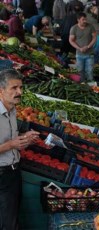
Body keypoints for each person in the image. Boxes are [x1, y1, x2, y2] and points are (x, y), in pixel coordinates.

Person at [0, 69, 40, 230]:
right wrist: (12, 145)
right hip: (1, 176)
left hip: (13, 172)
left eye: (21, 88)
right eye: (14, 88)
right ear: (1, 90)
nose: (19, 92)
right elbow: (10, 144)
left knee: (12, 219)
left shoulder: (12, 110)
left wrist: (25, 138)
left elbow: (12, 139)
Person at [69, 12, 97, 82]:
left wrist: (88, 46)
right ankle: (82, 86)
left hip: (90, 54)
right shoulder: (74, 28)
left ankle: (91, 87)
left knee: (89, 71)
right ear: (78, 20)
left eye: (85, 19)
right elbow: (71, 40)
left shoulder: (90, 27)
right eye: (83, 19)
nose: (85, 21)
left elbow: (94, 38)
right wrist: (79, 48)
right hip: (79, 54)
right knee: (80, 72)